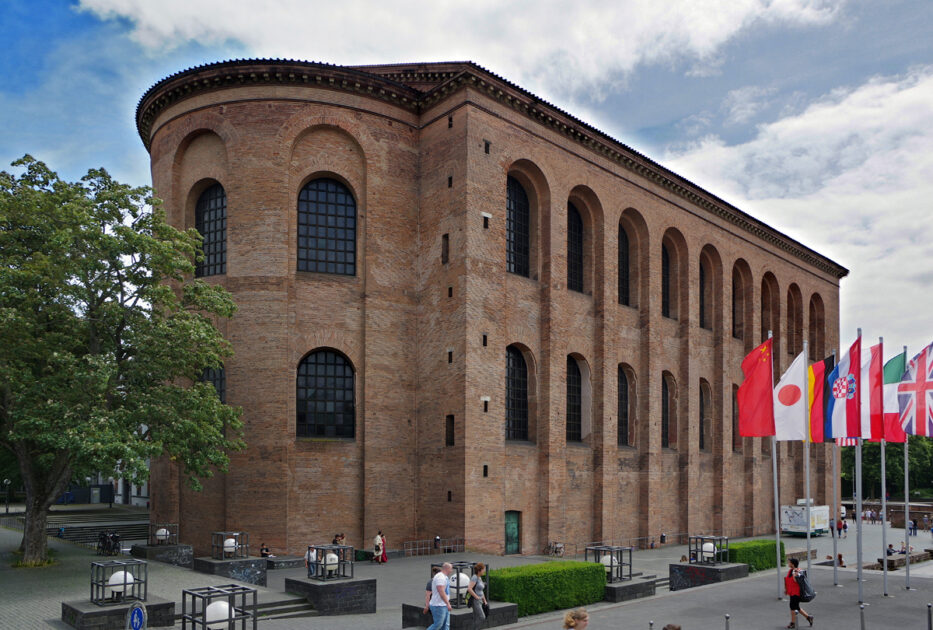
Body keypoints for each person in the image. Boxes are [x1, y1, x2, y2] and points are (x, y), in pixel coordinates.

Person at [784, 557, 813, 628]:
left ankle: (793, 623)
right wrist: (786, 589)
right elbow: (788, 580)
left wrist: (795, 576)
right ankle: (808, 617)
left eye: (789, 562)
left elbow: (798, 581)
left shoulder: (797, 572)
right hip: (791, 592)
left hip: (796, 593)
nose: (788, 563)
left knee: (793, 607)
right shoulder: (790, 571)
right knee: (796, 607)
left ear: (793, 564)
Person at [427, 562, 452, 630]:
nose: (451, 571)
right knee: (438, 625)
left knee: (446, 625)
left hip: (443, 604)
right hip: (438, 605)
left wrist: (447, 603)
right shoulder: (440, 577)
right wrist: (448, 603)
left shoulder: (445, 577)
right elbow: (441, 591)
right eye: (451, 569)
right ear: (447, 568)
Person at [468, 562, 488, 630]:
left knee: (476, 617)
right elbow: (469, 588)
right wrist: (476, 597)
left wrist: (484, 600)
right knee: (482, 617)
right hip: (475, 601)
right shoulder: (474, 577)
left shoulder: (479, 578)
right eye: (483, 569)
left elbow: (481, 590)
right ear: (480, 570)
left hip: (480, 601)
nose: (484, 571)